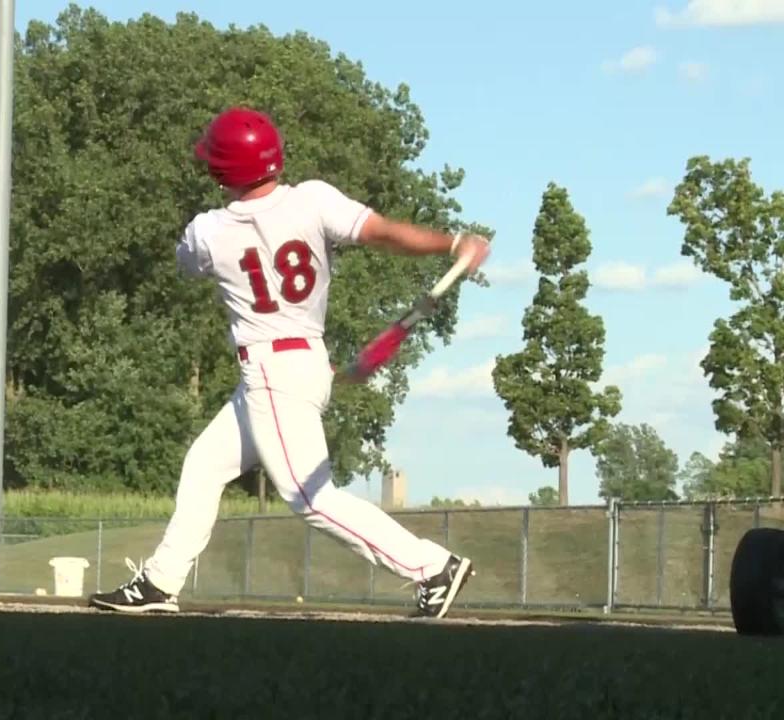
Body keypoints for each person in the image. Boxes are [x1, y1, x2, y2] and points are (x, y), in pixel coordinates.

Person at [87, 107, 490, 618]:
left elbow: (186, 264)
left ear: (222, 169)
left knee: (309, 497)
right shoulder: (314, 199)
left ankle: (433, 567)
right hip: (301, 364)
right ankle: (160, 581)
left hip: (272, 376)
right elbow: (386, 232)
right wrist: (453, 242)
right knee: (205, 464)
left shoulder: (208, 230)